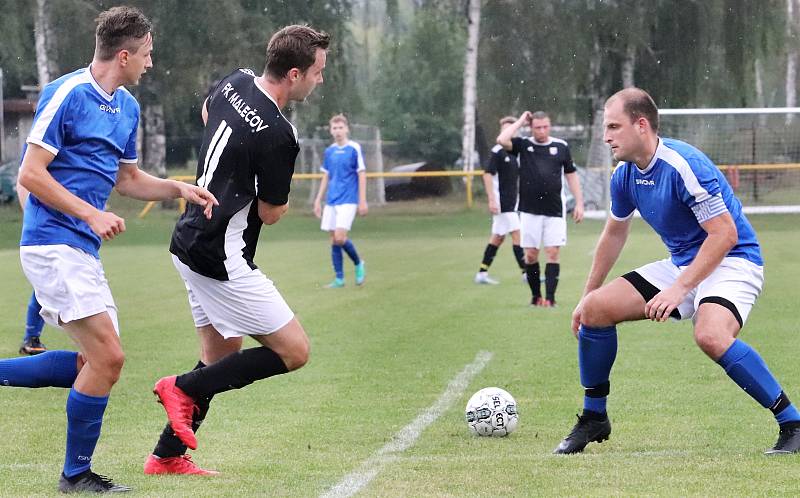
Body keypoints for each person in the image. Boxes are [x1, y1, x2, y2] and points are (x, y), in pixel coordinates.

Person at [0, 6, 218, 493]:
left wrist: (179, 188)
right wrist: (90, 214)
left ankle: (75, 471)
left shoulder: (128, 108)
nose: (151, 63)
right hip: (52, 243)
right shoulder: (68, 93)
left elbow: (129, 180)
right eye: (147, 54)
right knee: (109, 360)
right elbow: (30, 175)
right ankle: (75, 475)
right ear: (124, 54)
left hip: (80, 249)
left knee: (90, 366)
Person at [553, 87, 800, 455]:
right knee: (595, 311)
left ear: (641, 125)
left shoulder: (684, 165)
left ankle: (792, 422)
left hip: (734, 260)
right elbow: (614, 233)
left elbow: (725, 235)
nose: (606, 137)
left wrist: (678, 290)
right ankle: (594, 418)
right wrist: (586, 295)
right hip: (685, 263)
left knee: (710, 335)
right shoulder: (625, 176)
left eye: (613, 127)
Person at [145, 24, 329, 476]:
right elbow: (270, 213)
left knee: (220, 357)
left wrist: (231, 168)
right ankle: (180, 388)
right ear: (293, 73)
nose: (320, 80)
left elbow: (210, 112)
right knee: (294, 351)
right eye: (317, 72)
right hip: (221, 255)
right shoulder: (279, 134)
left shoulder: (237, 81)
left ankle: (166, 456)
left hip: (188, 238)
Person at [497, 110, 584, 307]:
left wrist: (579, 202)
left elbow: (571, 175)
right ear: (531, 127)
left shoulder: (561, 146)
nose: (542, 131)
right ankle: (536, 297)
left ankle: (551, 299)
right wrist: (520, 121)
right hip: (529, 210)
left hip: (554, 210)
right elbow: (502, 139)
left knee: (552, 252)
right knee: (531, 255)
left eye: (545, 127)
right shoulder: (523, 145)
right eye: (537, 127)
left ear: (550, 126)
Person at [313, 114, 368, 288]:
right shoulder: (329, 151)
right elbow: (326, 176)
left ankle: (359, 263)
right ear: (331, 131)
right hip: (332, 200)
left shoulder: (354, 148)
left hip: (349, 199)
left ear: (347, 129)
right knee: (334, 239)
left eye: (340, 128)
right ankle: (339, 279)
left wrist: (362, 201)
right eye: (334, 128)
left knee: (340, 237)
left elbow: (361, 174)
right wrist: (317, 200)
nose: (337, 131)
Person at [474, 116, 525, 285]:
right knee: (517, 234)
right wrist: (492, 200)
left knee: (497, 238)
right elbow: (487, 174)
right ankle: (526, 273)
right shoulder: (498, 151)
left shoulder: (514, 152)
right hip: (503, 203)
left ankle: (481, 273)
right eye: (504, 129)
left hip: (511, 201)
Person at [16, 181, 47, 355]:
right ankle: (31, 338)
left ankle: (31, 337)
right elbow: (24, 180)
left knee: (47, 285)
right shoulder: (37, 153)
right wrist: (34, 216)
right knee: (45, 285)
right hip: (45, 232)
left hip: (71, 232)